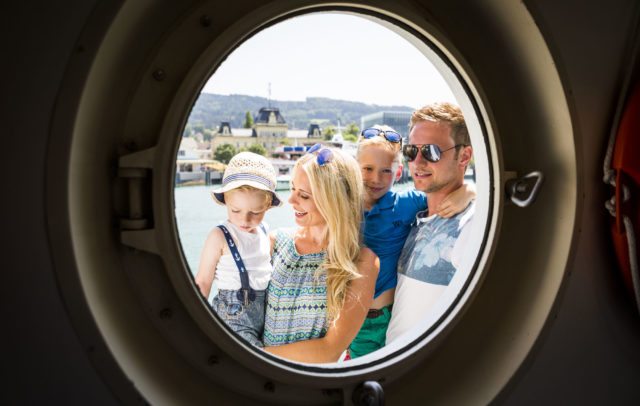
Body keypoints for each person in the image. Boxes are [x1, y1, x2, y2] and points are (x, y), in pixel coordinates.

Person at [348, 125, 475, 358]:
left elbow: (440, 194)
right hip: (354, 319)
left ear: (398, 173)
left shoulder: (405, 203)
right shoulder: (343, 208)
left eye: (386, 171)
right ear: (355, 167)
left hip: (388, 314)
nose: (376, 179)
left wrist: (468, 190)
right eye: (367, 169)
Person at [262, 145, 379, 363]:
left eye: (304, 195)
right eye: (293, 188)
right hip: (257, 375)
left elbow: (330, 350)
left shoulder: (362, 262)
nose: (291, 200)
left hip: (311, 380)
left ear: (334, 200)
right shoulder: (274, 242)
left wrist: (253, 354)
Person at [385, 102, 475, 344]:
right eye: (411, 151)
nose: (417, 162)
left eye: (431, 152)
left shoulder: (470, 225)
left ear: (464, 156)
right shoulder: (413, 219)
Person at [195, 152, 282, 347]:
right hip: (232, 319)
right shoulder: (219, 236)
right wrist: (195, 322)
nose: (245, 219)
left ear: (268, 205)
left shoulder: (264, 231)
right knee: (254, 356)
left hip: (264, 316)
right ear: (226, 201)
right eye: (236, 210)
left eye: (255, 212)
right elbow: (203, 281)